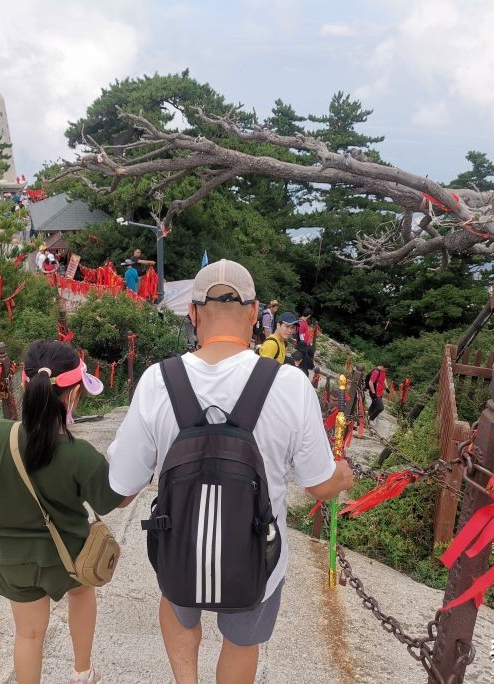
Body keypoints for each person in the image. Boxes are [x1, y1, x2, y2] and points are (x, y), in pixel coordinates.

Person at [105, 259, 354, 684]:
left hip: (179, 543)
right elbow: (319, 487)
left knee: (179, 608)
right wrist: (345, 474)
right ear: (255, 314)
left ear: (193, 313)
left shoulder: (156, 381)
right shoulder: (290, 384)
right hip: (257, 555)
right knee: (242, 641)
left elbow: (122, 489)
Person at [0, 340, 124, 684]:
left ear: (24, 383)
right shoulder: (81, 455)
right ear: (75, 394)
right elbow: (115, 500)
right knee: (82, 591)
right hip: (69, 555)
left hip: (13, 560)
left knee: (29, 634)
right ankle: (82, 671)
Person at [295, 308, 315, 376]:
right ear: (309, 315)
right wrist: (304, 346)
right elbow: (301, 335)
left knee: (310, 355)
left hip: (306, 344)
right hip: (303, 346)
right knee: (303, 361)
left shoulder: (303, 321)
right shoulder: (301, 322)